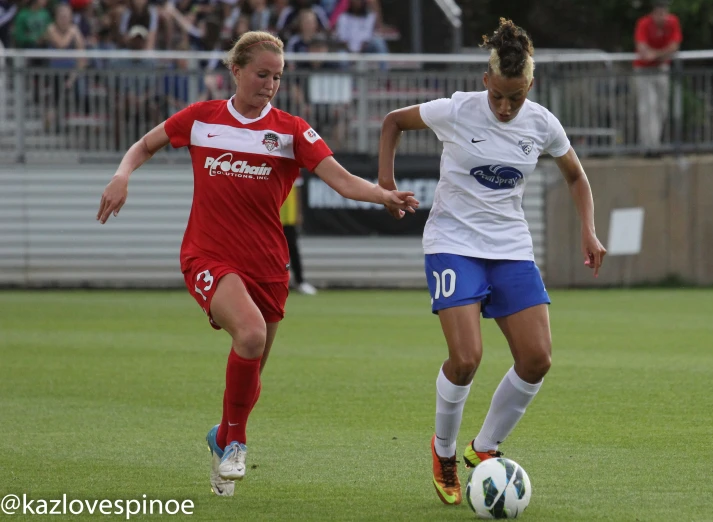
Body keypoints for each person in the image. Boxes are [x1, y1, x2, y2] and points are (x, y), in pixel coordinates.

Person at [96, 30, 418, 497]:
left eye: (278, 77)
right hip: (207, 255)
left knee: (252, 374)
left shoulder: (290, 130)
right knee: (250, 334)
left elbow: (343, 181)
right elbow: (144, 145)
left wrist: (382, 194)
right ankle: (237, 445)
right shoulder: (201, 119)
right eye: (262, 74)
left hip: (267, 266)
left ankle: (223, 436)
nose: (270, 84)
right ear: (237, 70)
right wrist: (121, 176)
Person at [377, 18, 606, 506]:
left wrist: (588, 228)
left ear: (530, 86)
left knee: (537, 357)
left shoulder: (542, 123)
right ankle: (443, 451)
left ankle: (485, 449)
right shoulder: (457, 110)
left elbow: (577, 177)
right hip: (453, 242)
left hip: (509, 248)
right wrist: (384, 187)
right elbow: (392, 121)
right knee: (466, 360)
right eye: (499, 95)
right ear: (486, 82)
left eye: (516, 97)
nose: (505, 107)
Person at [633, 0, 682, 156]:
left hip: (661, 68)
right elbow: (642, 49)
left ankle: (656, 143)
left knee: (662, 108)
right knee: (647, 108)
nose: (662, 15)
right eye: (659, 11)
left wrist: (656, 54)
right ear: (653, 12)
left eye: (665, 11)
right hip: (644, 70)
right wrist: (659, 54)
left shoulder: (672, 22)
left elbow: (674, 46)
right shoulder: (644, 23)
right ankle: (649, 147)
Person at [280, 173, 318, 295]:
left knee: (293, 248)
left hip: (288, 216)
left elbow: (297, 192)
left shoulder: (294, 167)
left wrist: (298, 213)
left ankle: (300, 281)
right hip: (270, 215)